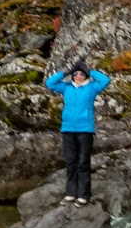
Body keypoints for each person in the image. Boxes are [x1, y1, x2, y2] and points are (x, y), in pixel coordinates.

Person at [42, 57, 111, 204]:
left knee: (83, 163)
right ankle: (70, 193)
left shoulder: (92, 88)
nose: (78, 76)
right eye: (76, 74)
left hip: (85, 130)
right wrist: (64, 72)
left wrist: (90, 70)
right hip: (68, 129)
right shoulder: (66, 86)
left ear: (85, 75)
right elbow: (49, 83)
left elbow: (105, 80)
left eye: (81, 74)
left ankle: (84, 195)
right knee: (70, 162)